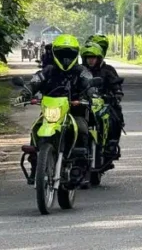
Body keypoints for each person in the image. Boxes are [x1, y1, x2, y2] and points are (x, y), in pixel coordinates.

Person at [22, 35, 98, 183]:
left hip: (75, 111)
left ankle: (79, 167)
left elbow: (89, 83)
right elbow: (34, 82)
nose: (66, 58)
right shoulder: (48, 71)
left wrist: (90, 94)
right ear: (55, 54)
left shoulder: (81, 71)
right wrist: (25, 93)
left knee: (82, 129)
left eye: (69, 54)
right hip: (50, 112)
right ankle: (35, 168)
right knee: (36, 129)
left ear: (75, 54)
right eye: (62, 54)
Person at [81, 38, 124, 159]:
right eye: (88, 57)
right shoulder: (79, 70)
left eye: (93, 57)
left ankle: (111, 144)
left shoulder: (108, 70)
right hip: (83, 103)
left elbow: (115, 83)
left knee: (115, 117)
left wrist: (117, 92)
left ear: (99, 58)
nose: (90, 60)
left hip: (103, 103)